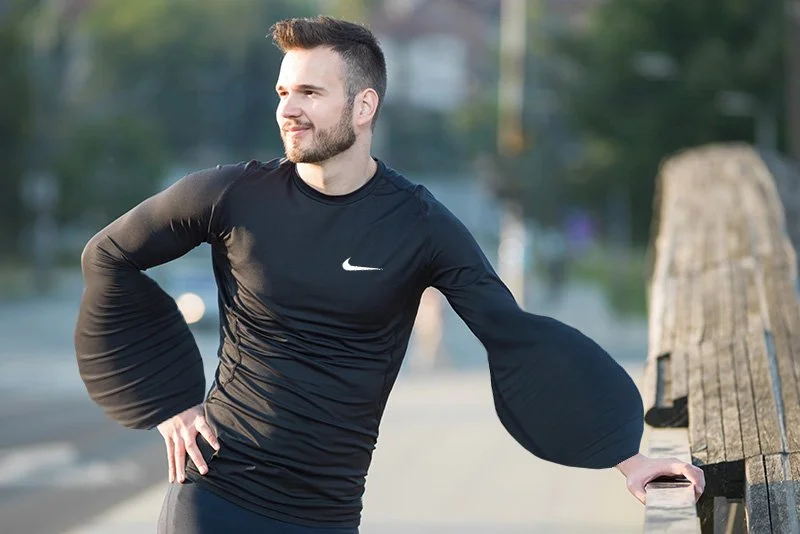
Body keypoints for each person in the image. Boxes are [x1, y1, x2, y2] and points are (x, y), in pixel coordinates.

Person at [74, 16, 704, 534]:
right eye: (283, 93)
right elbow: (107, 257)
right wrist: (170, 403)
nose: (288, 109)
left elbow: (513, 333)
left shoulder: (420, 225)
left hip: (328, 513)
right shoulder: (229, 195)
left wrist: (625, 456)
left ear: (364, 104)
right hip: (214, 498)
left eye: (310, 93)